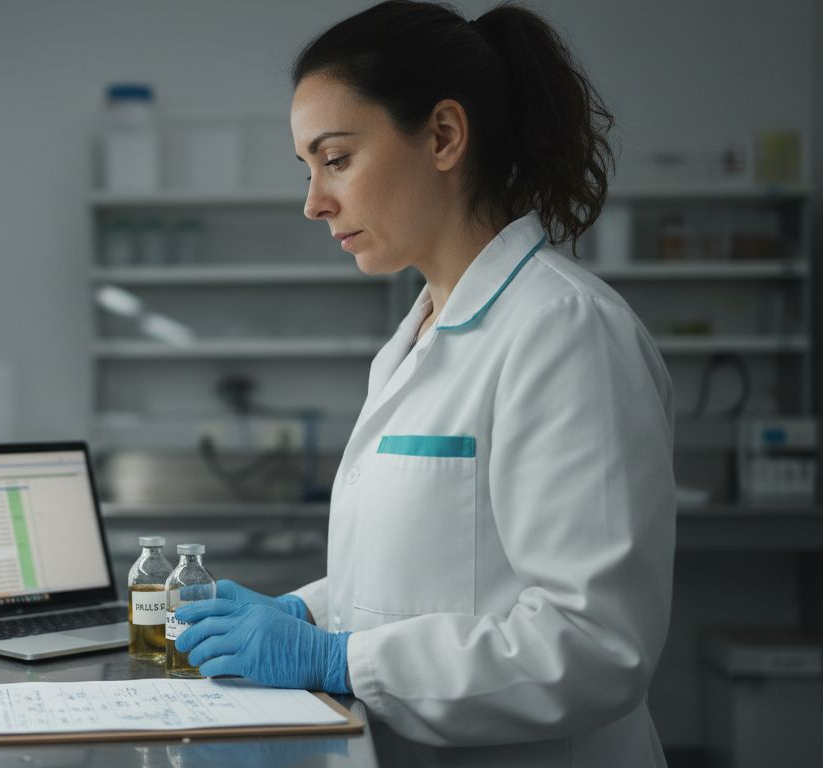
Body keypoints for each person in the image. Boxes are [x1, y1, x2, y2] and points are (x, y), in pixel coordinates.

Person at [173, 2, 675, 765]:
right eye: (307, 169)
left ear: (443, 136)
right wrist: (308, 612)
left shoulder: (565, 332)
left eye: (336, 159)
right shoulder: (421, 337)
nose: (314, 202)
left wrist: (339, 661)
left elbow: (596, 647)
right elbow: (419, 580)